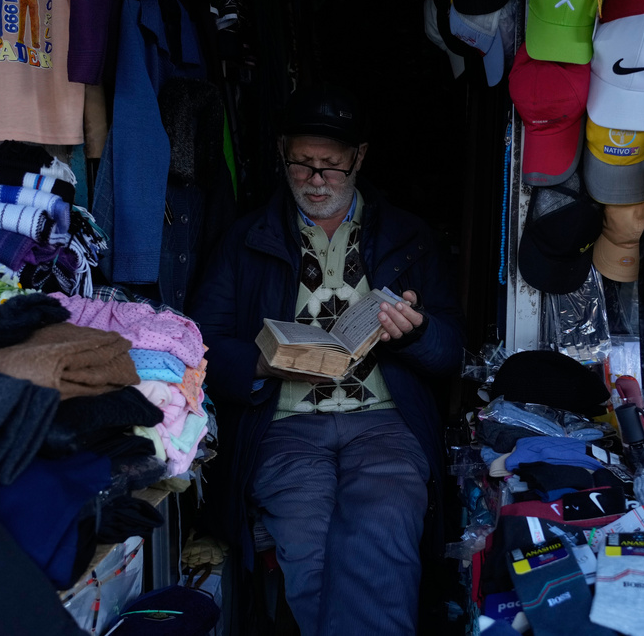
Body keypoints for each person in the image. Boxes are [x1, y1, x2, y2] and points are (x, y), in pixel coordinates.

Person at [189, 85, 465, 635]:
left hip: (383, 423)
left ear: (360, 158)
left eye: (332, 167)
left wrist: (415, 332)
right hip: (286, 427)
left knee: (382, 532)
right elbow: (198, 346)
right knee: (309, 546)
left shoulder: (408, 238)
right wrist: (263, 364)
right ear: (281, 152)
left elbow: (451, 353)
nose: (317, 181)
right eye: (303, 165)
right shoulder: (246, 238)